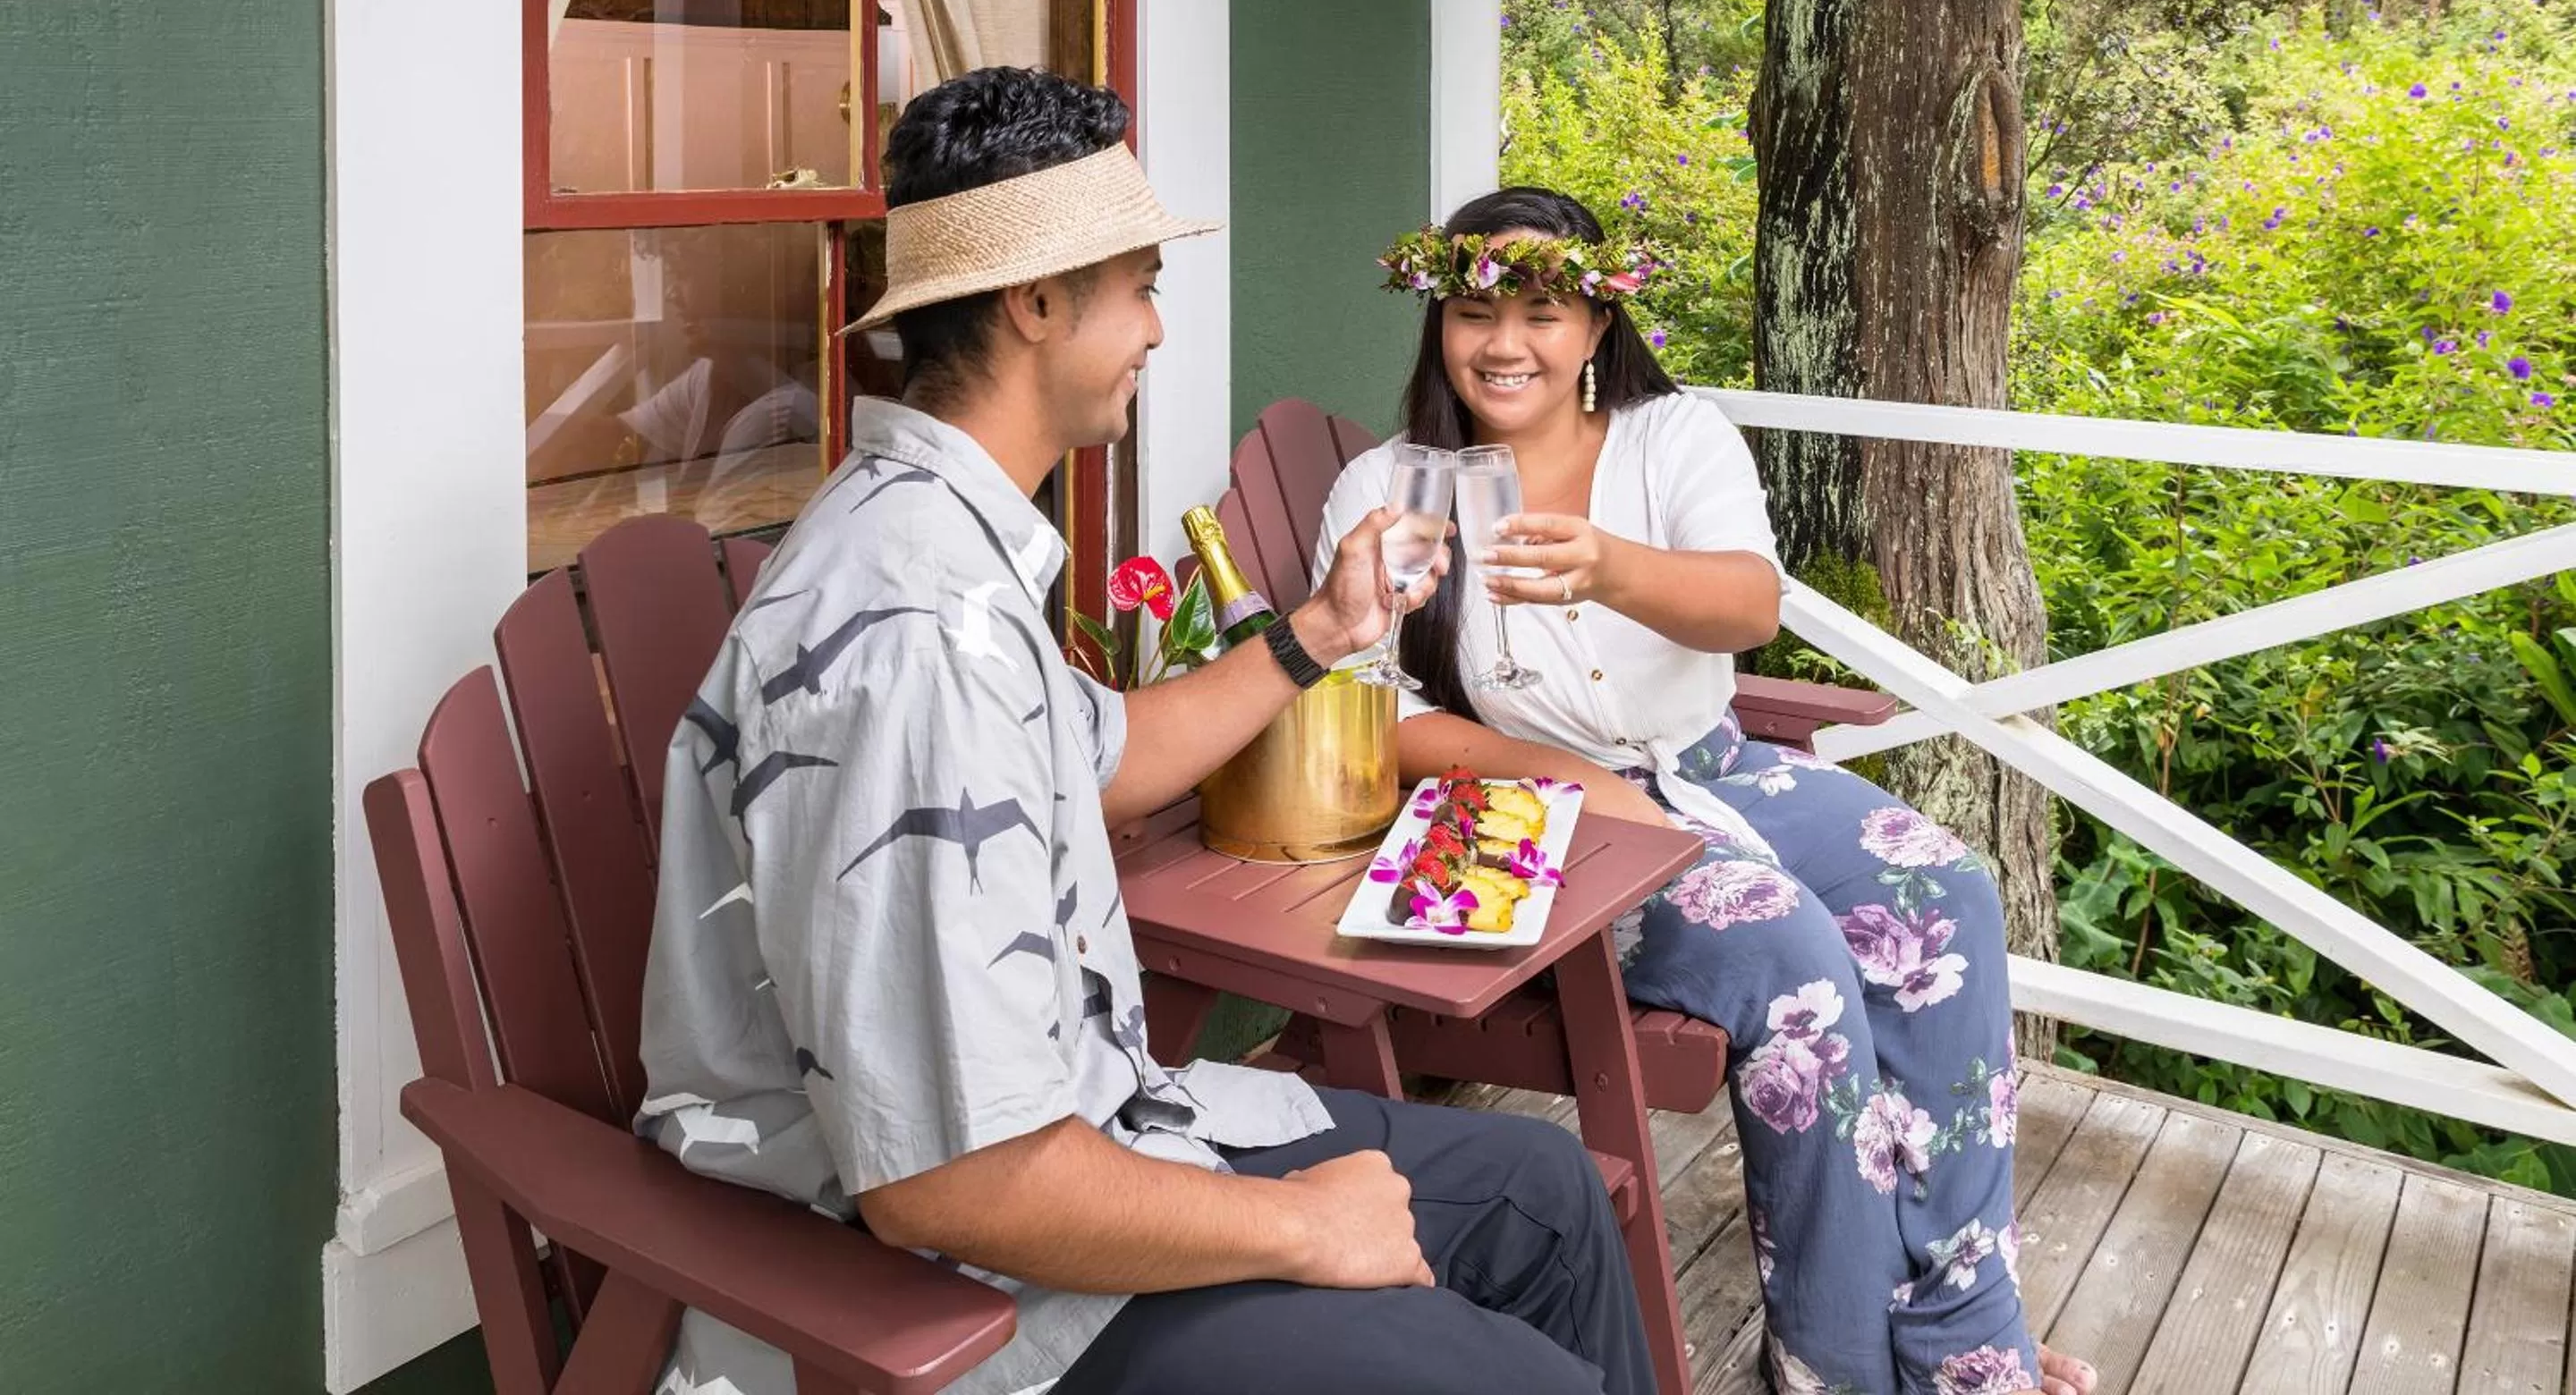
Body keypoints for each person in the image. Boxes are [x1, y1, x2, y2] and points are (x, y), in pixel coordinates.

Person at [633, 72, 1657, 1395]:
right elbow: (956, 1183)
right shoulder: (913, 636)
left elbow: (1106, 757)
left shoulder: (945, 542)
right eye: (1141, 288)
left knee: (1545, 1195)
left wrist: (1321, 631)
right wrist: (1301, 1226)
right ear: (1037, 301)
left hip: (1105, 1126)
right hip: (960, 1298)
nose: (1159, 330)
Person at [1316, 186, 2101, 1395]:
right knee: (1791, 955)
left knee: (1948, 892)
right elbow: (1373, 707)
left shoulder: (1671, 438)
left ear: (1597, 324)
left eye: (1542, 313)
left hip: (1715, 768)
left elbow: (1749, 604)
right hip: (1524, 820)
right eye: (1475, 314)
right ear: (1439, 321)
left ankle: (1959, 1332)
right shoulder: (1397, 488)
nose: (1506, 344)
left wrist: (1610, 568)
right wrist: (1579, 781)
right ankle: (1836, 1365)